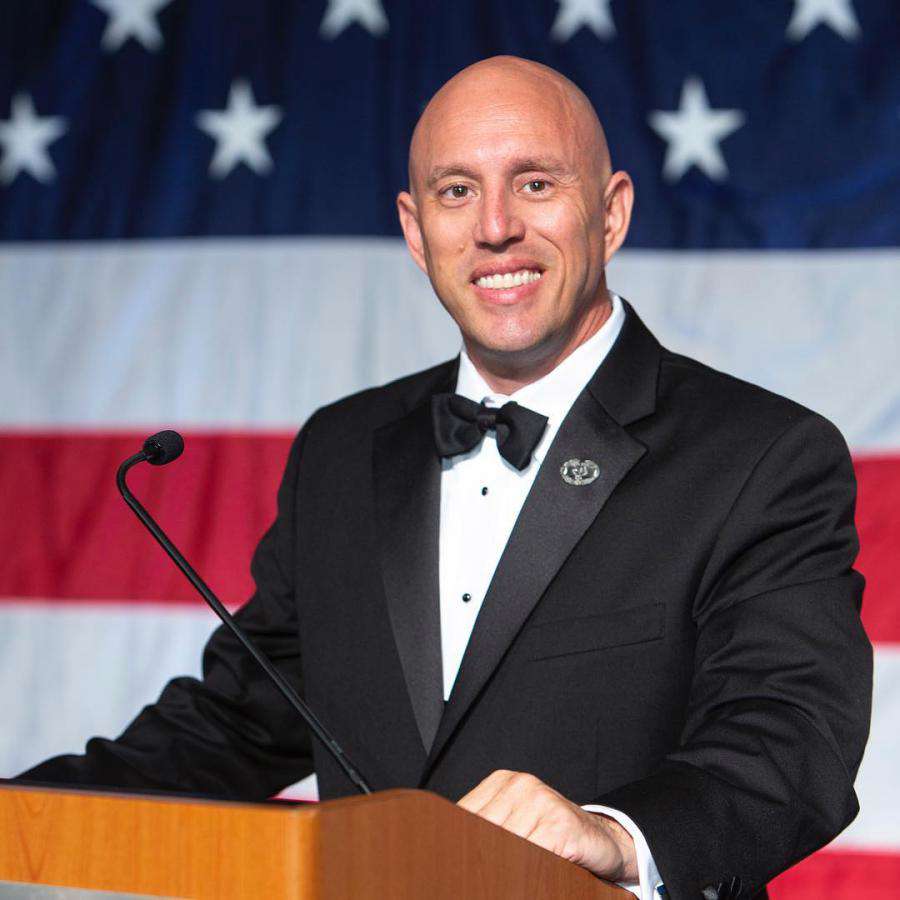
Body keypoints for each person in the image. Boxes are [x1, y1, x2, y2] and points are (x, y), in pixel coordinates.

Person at [20, 56, 871, 899]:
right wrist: (19, 814)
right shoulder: (341, 450)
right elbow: (236, 720)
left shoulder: (763, 455)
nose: (495, 227)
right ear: (416, 229)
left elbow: (793, 741)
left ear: (610, 214)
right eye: (457, 191)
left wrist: (614, 834)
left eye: (535, 183)